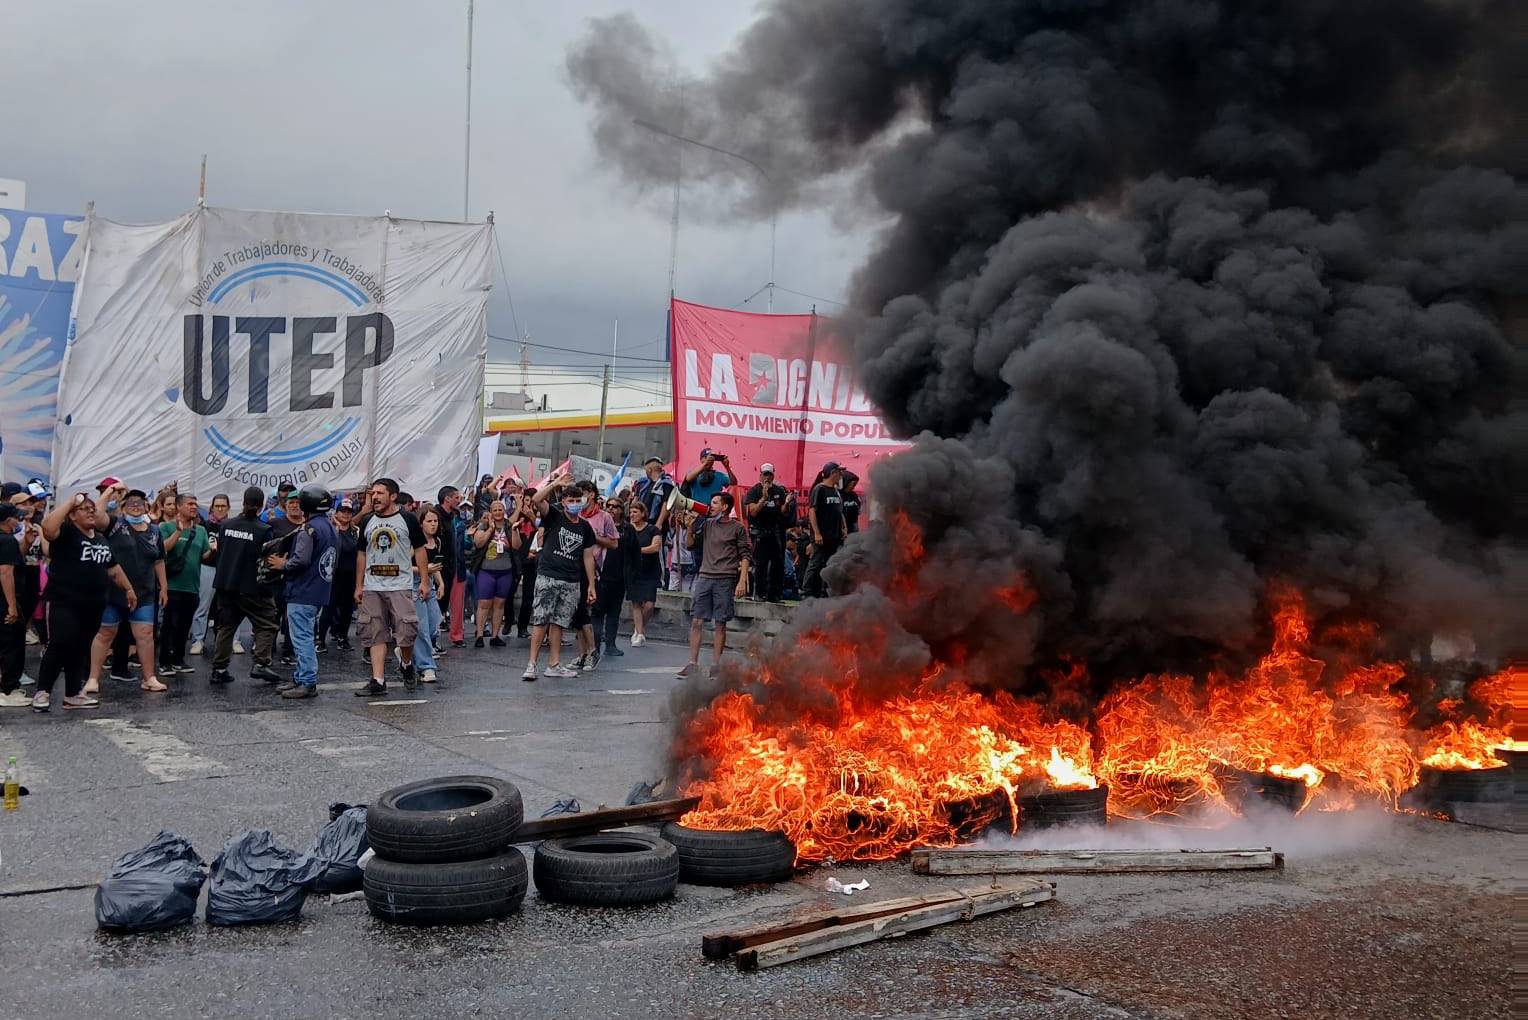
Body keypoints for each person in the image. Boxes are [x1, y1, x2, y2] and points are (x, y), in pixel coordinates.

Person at [34, 491, 137, 712]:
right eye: (85, 509)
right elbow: (48, 527)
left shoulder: (100, 539)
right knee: (60, 643)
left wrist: (128, 589)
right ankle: (43, 691)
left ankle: (73, 694)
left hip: (93, 603)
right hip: (64, 601)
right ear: (72, 516)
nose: (91, 511)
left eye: (93, 509)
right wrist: (72, 501)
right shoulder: (66, 533)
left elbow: (113, 568)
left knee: (81, 647)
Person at [353, 477, 429, 697]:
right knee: (374, 630)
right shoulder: (367, 521)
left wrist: (424, 581)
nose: (374, 497)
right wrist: (359, 585)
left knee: (406, 630)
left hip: (400, 584)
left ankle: (406, 663)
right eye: (373, 493)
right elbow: (362, 553)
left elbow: (420, 550)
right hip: (372, 585)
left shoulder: (407, 519)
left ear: (393, 496)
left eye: (379, 493)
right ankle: (378, 680)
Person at [87, 488, 168, 696]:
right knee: (106, 633)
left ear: (146, 507)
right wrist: (111, 490)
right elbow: (96, 515)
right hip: (114, 592)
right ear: (122, 507)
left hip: (145, 593)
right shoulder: (115, 525)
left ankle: (149, 678)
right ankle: (93, 678)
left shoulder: (155, 531)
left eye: (140, 503)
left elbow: (159, 560)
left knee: (145, 635)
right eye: (131, 503)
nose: (136, 506)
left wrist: (164, 587)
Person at [521, 477, 596, 681]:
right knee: (541, 619)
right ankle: (532, 664)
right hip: (548, 575)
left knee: (559, 622)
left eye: (577, 500)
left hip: (572, 580)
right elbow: (536, 499)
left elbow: (588, 556)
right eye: (570, 500)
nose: (574, 504)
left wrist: (591, 584)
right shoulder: (554, 516)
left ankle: (553, 664)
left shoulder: (585, 527)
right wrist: (555, 485)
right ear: (563, 502)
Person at [267, 484, 336, 700]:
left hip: (303, 589)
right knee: (304, 634)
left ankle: (307, 681)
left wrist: (281, 565)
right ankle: (300, 676)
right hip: (319, 588)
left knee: (302, 637)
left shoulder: (309, 529)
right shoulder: (330, 526)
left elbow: (301, 559)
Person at [208, 486, 283, 686]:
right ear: (261, 506)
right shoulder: (263, 530)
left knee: (226, 627)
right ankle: (261, 662)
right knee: (267, 622)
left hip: (226, 584)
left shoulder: (226, 525)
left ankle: (219, 668)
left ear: (243, 501)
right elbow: (267, 561)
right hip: (252, 587)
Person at [678, 492, 751, 678]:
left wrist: (742, 580)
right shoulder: (708, 524)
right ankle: (692, 663)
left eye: (715, 503)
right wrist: (690, 527)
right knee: (696, 620)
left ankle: (716, 665)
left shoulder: (737, 528)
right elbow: (690, 545)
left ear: (725, 507)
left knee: (720, 623)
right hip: (705, 576)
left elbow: (745, 555)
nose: (711, 506)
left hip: (725, 579)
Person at [159, 493, 212, 675]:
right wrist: (178, 532)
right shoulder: (165, 526)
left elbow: (204, 555)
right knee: (169, 625)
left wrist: (214, 550)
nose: (194, 507)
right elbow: (163, 548)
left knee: (184, 625)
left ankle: (178, 659)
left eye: (195, 504)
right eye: (190, 504)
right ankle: (164, 661)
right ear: (179, 506)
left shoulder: (201, 531)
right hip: (172, 586)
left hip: (192, 587)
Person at [574, 480, 619, 671]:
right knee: (576, 614)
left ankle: (593, 651)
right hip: (572, 567)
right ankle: (582, 654)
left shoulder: (604, 517)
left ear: (591, 494)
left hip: (593, 570)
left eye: (582, 494)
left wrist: (593, 537)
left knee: (587, 613)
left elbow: (614, 543)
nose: (579, 500)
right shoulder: (573, 515)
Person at [470, 498, 519, 647]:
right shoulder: (484, 525)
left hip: (505, 571)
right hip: (486, 571)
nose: (498, 512)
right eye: (495, 510)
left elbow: (517, 546)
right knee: (484, 603)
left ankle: (495, 635)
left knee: (500, 603)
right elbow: (478, 543)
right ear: (491, 512)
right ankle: (479, 635)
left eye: (500, 509)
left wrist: (515, 531)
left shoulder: (509, 526)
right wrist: (490, 529)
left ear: (504, 511)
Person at [744, 462, 793, 602]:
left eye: (769, 474)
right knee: (761, 563)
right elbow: (752, 512)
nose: (767, 478)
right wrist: (763, 499)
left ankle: (775, 595)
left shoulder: (779, 491)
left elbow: (783, 512)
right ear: (760, 475)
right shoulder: (754, 491)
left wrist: (787, 503)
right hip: (759, 532)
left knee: (778, 563)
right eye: (765, 474)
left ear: (773, 475)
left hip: (775, 531)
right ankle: (759, 594)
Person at [0, 504, 32, 706]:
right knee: (12, 645)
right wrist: (12, 605)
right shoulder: (7, 540)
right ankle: (8, 690)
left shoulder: (7, 541)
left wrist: (27, 543)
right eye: (16, 517)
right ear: (7, 520)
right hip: (5, 600)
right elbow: (6, 573)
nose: (18, 521)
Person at [190, 492, 229, 655]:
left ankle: (233, 641)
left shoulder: (233, 525)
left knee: (230, 606)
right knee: (202, 606)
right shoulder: (204, 526)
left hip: (227, 569)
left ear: (228, 508)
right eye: (217, 506)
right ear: (212, 508)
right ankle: (198, 640)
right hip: (208, 566)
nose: (220, 509)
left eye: (223, 506)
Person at [410, 504, 446, 684]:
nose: (433, 524)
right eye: (429, 521)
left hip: (430, 583)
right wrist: (423, 570)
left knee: (435, 623)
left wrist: (441, 582)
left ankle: (407, 650)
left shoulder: (437, 541)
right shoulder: (414, 542)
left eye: (435, 521)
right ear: (421, 523)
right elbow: (404, 567)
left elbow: (434, 565)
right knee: (421, 627)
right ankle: (426, 666)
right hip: (415, 584)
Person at [802, 462, 847, 598]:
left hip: (834, 535)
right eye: (839, 472)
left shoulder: (836, 491)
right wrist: (816, 533)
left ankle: (824, 592)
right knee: (815, 563)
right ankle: (806, 591)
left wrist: (844, 527)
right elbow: (812, 511)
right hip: (822, 535)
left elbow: (839, 512)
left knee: (830, 564)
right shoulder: (819, 489)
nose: (841, 475)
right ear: (833, 473)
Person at [319, 498, 360, 651]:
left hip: (351, 576)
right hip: (333, 576)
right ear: (336, 513)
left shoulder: (356, 531)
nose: (346, 514)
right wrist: (335, 527)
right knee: (328, 608)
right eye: (343, 511)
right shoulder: (330, 529)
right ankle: (320, 640)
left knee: (347, 610)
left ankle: (343, 637)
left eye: (349, 512)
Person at [621, 500, 663, 648]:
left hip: (650, 570)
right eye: (630, 512)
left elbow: (655, 547)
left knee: (649, 605)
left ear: (643, 513)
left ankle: (639, 628)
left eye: (635, 512)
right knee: (636, 603)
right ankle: (639, 633)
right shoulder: (627, 529)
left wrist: (636, 551)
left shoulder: (653, 530)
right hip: (633, 571)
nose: (632, 515)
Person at [436, 486, 465, 646]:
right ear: (447, 498)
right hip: (438, 569)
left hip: (454, 567)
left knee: (443, 606)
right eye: (456, 498)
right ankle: (431, 642)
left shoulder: (453, 517)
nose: (459, 501)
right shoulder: (436, 515)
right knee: (435, 605)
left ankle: (437, 641)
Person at [513, 487, 539, 639]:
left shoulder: (539, 519)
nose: (529, 504)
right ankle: (509, 620)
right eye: (526, 501)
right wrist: (519, 509)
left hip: (532, 562)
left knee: (528, 597)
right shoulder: (517, 517)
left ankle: (522, 627)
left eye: (531, 501)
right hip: (516, 560)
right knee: (509, 592)